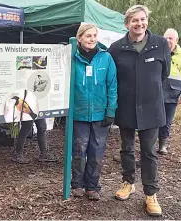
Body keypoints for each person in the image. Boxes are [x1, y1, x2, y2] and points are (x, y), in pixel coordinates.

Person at [108, 5, 171, 216]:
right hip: (126, 107)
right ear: (127, 24)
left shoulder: (160, 44)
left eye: (143, 19)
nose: (140, 23)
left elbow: (164, 74)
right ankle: (128, 182)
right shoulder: (116, 48)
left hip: (152, 108)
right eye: (135, 20)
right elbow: (112, 79)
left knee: (149, 152)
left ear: (147, 21)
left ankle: (151, 194)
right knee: (126, 148)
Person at [70, 23, 117, 201]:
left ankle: (92, 186)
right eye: (88, 36)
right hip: (79, 113)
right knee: (79, 150)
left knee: (96, 152)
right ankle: (77, 184)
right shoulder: (72, 58)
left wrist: (110, 110)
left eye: (94, 36)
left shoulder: (106, 58)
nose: (92, 39)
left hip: (100, 113)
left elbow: (112, 85)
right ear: (79, 38)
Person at [158, 28, 181, 154]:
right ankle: (150, 144)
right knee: (153, 119)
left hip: (173, 92)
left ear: (177, 40)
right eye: (166, 38)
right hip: (156, 91)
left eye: (171, 38)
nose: (168, 40)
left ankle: (162, 144)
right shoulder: (157, 51)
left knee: (167, 121)